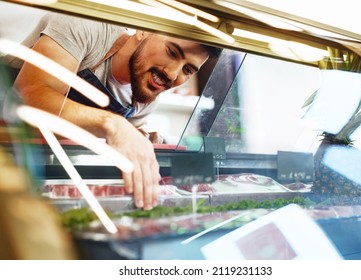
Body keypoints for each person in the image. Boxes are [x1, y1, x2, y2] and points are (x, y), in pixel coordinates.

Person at [4, 13, 221, 210]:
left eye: (188, 70)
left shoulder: (145, 97)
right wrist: (114, 125)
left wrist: (140, 140)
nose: (173, 75)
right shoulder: (86, 24)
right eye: (172, 52)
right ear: (143, 28)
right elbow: (27, 102)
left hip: (38, 169)